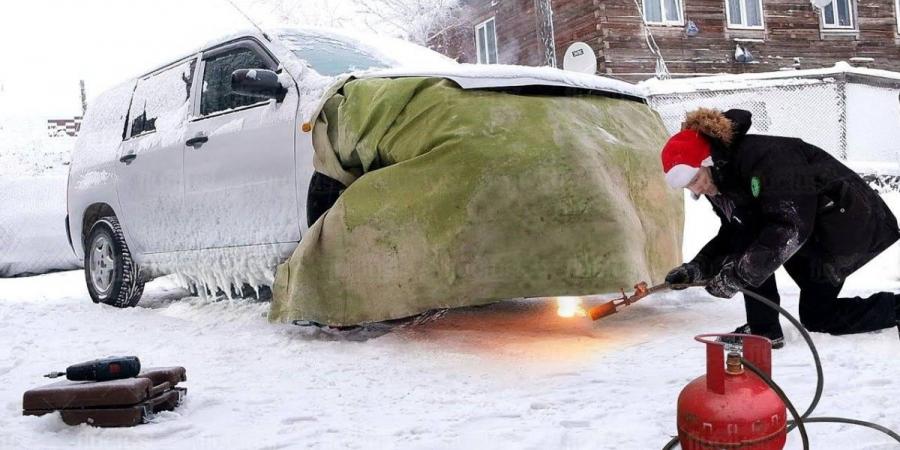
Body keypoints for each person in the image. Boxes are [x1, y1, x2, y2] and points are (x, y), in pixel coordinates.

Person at [660, 108, 900, 348]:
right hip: (815, 229)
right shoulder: (719, 178)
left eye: (694, 180)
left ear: (708, 161)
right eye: (688, 187)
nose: (696, 191)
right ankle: (764, 330)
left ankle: (763, 330)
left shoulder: (768, 158)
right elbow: (735, 231)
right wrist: (698, 267)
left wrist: (738, 275)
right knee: (818, 315)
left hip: (845, 222)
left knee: (757, 258)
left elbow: (790, 227)